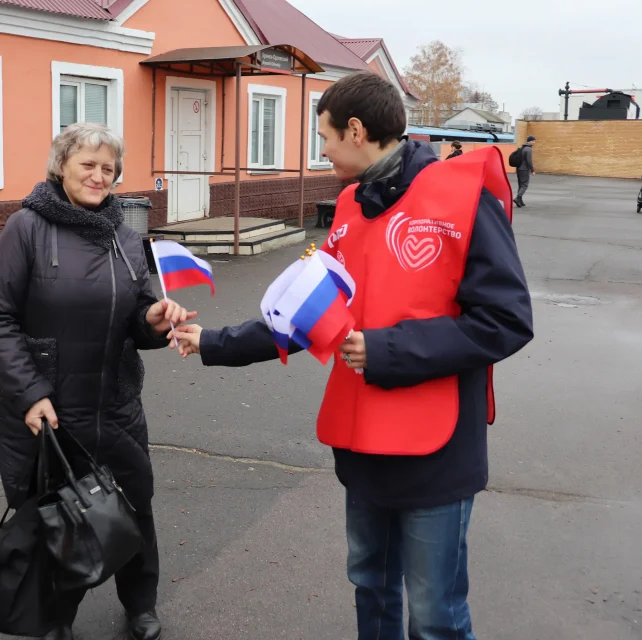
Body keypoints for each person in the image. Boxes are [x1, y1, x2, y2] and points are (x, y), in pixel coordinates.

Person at [171, 71, 534, 640]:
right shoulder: (348, 205)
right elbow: (309, 316)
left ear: (357, 130)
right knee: (371, 586)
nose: (320, 148)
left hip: (436, 451)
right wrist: (212, 341)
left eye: (325, 136)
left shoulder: (464, 197)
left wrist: (389, 349)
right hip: (364, 443)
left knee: (436, 615)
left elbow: (507, 321)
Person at [0, 122, 194, 640]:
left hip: (115, 402)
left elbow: (136, 313)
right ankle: (57, 617)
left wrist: (153, 318)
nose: (100, 176)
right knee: (60, 517)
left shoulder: (124, 233)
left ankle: (140, 603)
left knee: (134, 504)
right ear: (61, 167)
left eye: (108, 168)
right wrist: (29, 393)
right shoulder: (26, 228)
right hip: (51, 408)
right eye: (88, 165)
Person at [514, 135, 535, 207]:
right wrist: (532, 170)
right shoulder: (528, 149)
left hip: (519, 168)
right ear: (530, 141)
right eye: (533, 141)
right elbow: (529, 161)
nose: (534, 142)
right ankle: (518, 198)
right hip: (524, 169)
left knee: (521, 185)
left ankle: (520, 201)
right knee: (525, 185)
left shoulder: (522, 148)